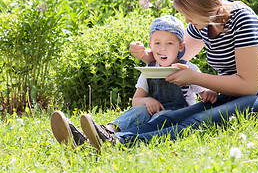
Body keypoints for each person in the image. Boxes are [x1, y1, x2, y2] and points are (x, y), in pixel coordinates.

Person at [57, 0, 258, 152]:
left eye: (188, 13)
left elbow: (249, 85)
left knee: (197, 121)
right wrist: (146, 54)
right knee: (170, 118)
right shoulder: (202, 25)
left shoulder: (242, 19)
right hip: (232, 97)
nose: (186, 20)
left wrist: (195, 78)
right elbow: (175, 56)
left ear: (203, 6)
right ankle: (90, 141)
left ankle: (116, 143)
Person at [50, 15, 217, 149]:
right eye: (157, 43)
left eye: (169, 43)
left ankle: (105, 140)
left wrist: (208, 93)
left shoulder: (188, 69)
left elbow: (204, 95)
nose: (162, 48)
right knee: (138, 111)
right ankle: (106, 131)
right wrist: (148, 100)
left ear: (181, 47)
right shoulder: (149, 70)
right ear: (150, 45)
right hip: (151, 114)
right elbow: (136, 100)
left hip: (176, 116)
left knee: (162, 116)